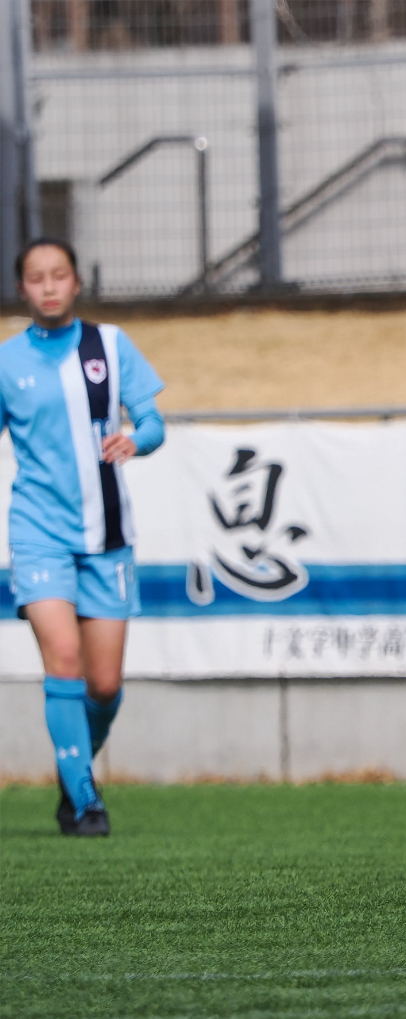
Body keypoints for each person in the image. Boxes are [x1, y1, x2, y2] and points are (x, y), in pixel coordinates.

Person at [1, 238, 166, 836]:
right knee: (63, 661)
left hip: (109, 536)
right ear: (23, 288)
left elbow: (152, 422)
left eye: (59, 275)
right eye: (36, 277)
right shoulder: (6, 361)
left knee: (103, 685)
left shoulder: (111, 344)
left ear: (76, 282)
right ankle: (85, 802)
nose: (48, 286)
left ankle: (73, 772)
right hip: (38, 533)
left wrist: (136, 439)